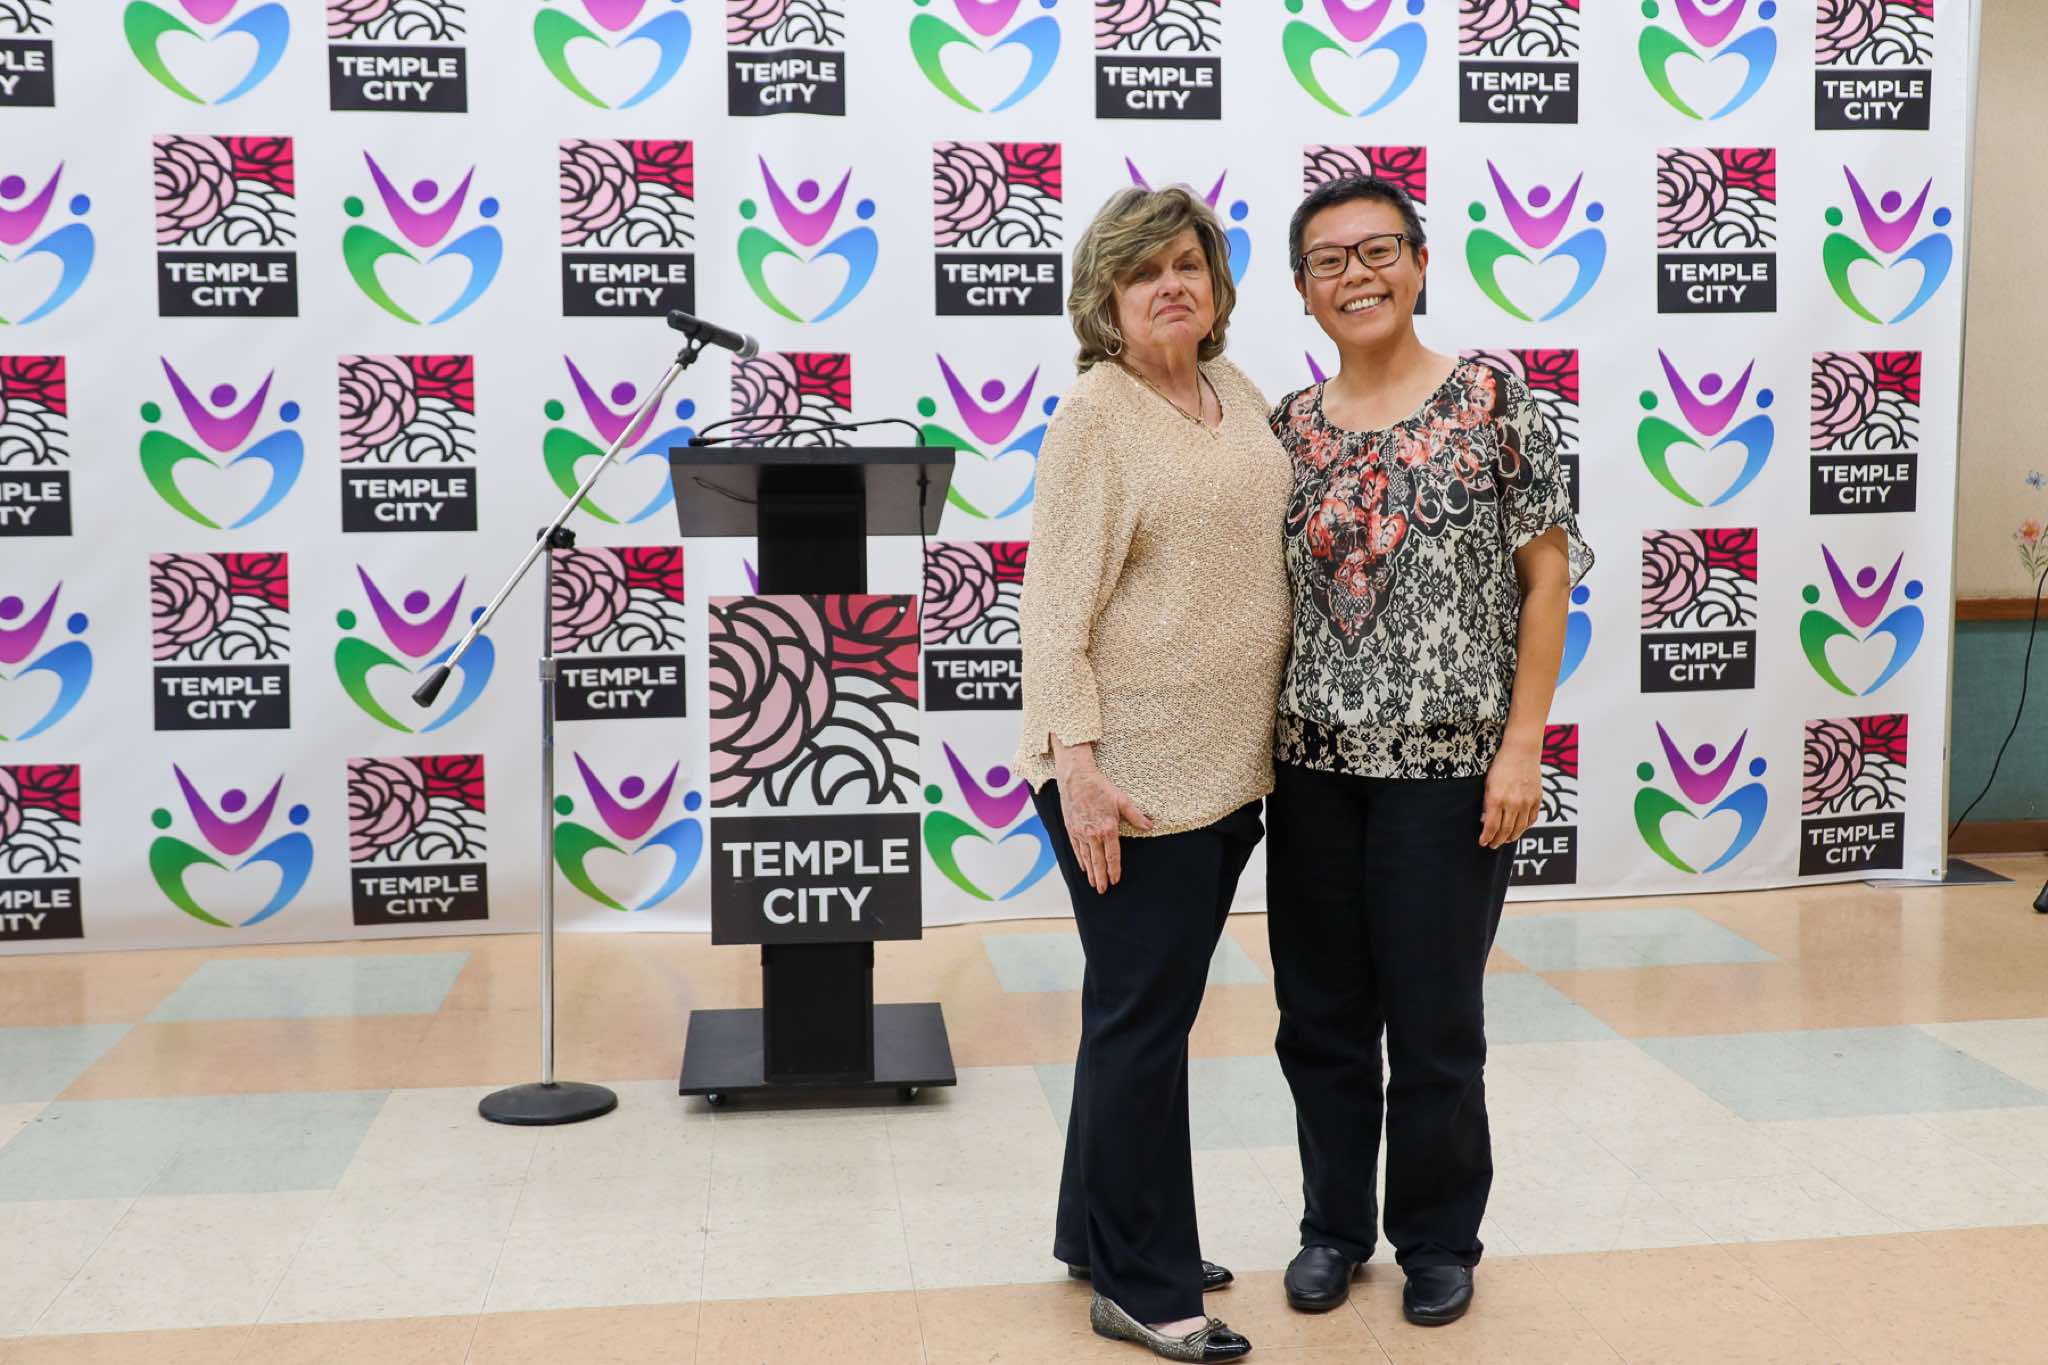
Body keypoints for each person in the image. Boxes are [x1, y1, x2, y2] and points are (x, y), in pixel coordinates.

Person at [1265, 175, 1591, 1327]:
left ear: (1417, 263)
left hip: (1449, 776)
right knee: (1318, 1019)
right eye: (1328, 260)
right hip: (1311, 771)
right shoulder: (1284, 431)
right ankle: (1330, 1229)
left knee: (1435, 1020)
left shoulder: (1493, 401)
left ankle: (1438, 1239)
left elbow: (1545, 582)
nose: (1355, 275)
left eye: (1378, 250)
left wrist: (1520, 746)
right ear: (1300, 291)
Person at [1016, 184, 1291, 1363]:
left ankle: (1092, 1229)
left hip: (1225, 768)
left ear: (1215, 285)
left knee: (1133, 1007)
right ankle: (1141, 1285)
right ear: (1105, 300)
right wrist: (1076, 768)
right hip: (1125, 777)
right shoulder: (1095, 416)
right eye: (1142, 272)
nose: (1170, 285)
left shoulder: (1236, 391)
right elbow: (1050, 612)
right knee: (1143, 1019)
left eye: (1186, 264)